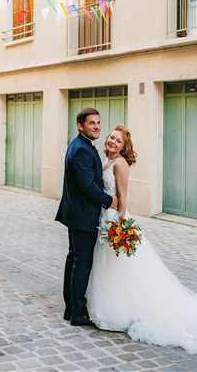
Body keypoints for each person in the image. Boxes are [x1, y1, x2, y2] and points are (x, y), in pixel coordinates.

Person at [86, 125, 197, 354]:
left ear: (124, 146)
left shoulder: (121, 164)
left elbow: (124, 198)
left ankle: (120, 311)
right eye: (111, 138)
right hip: (104, 218)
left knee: (120, 266)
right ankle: (107, 307)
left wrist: (120, 226)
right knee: (108, 265)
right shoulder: (105, 160)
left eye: (118, 141)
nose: (113, 142)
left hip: (114, 221)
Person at [55, 108, 117, 326]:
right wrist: (109, 201)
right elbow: (87, 186)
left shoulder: (81, 145)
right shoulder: (81, 149)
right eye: (92, 123)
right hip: (82, 215)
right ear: (80, 125)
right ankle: (78, 313)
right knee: (82, 262)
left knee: (74, 259)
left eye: (99, 123)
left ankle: (71, 308)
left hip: (77, 213)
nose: (97, 127)